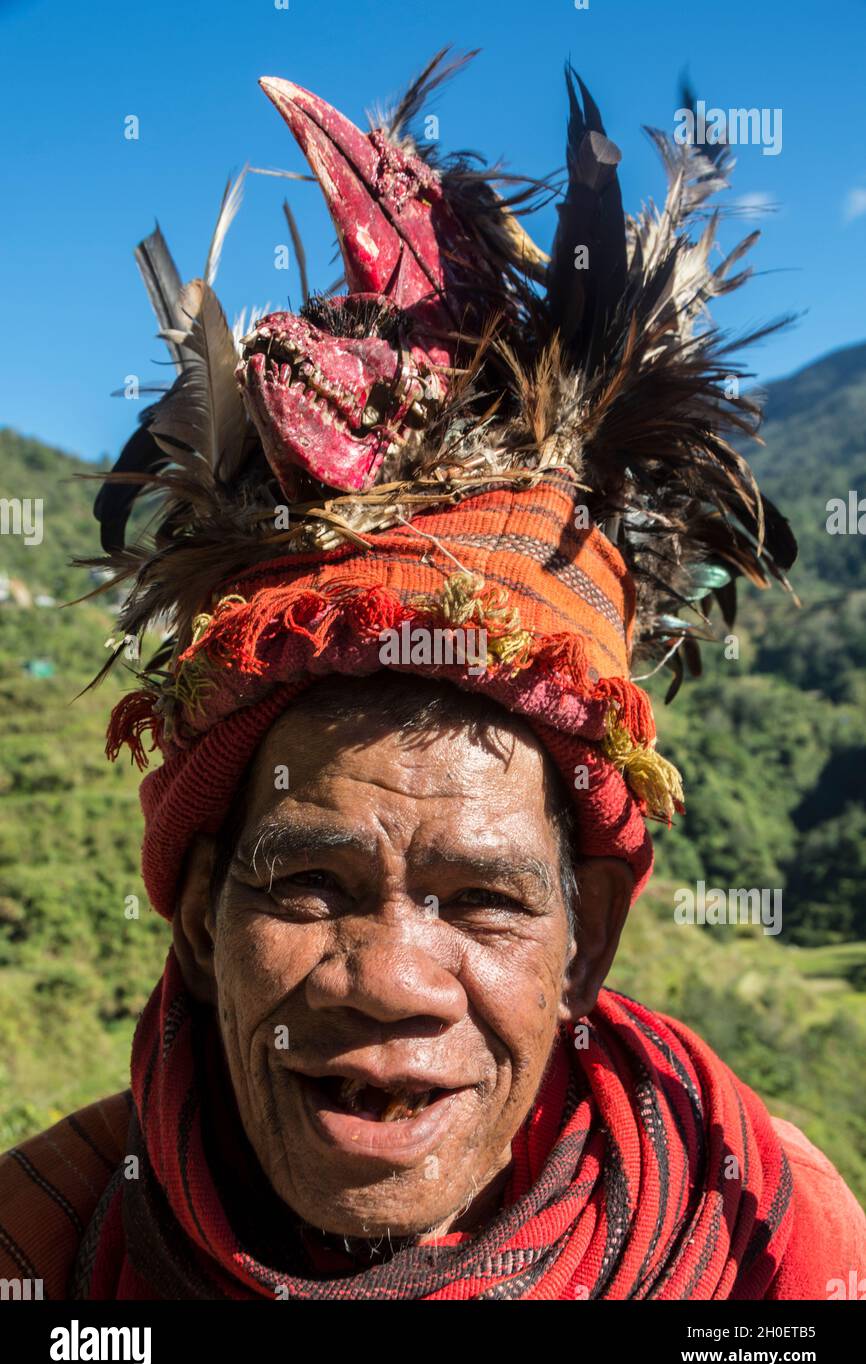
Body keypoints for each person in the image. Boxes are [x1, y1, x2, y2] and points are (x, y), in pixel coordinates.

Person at [2, 52, 863, 1300]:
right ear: (198, 920)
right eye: (305, 882)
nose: (392, 979)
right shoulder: (42, 1251)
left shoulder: (769, 1252)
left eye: (482, 900)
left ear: (588, 942)